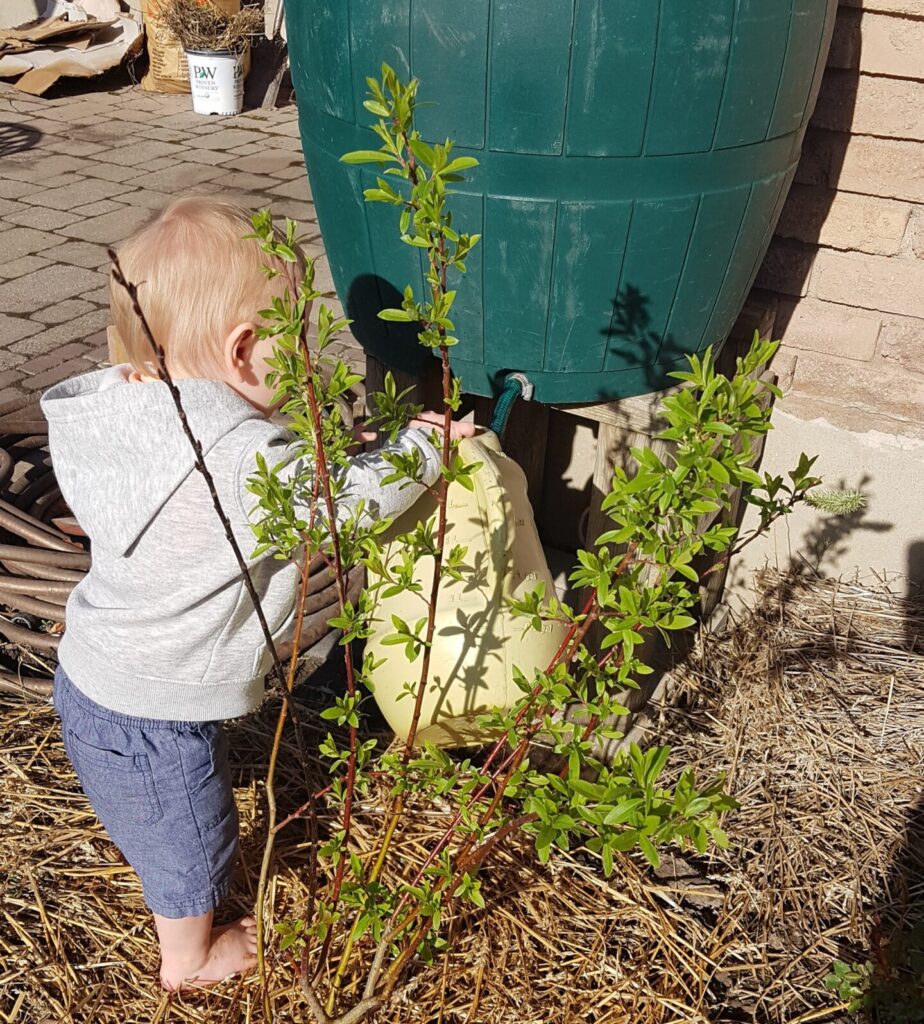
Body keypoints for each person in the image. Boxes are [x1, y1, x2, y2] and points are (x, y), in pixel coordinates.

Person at [41, 196, 472, 991]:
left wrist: (336, 451)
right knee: (194, 839)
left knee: (157, 814)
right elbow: (343, 502)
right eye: (301, 340)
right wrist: (421, 449)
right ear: (243, 354)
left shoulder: (130, 413)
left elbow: (276, 476)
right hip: (150, 713)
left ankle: (153, 857)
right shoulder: (240, 458)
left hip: (98, 672)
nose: (311, 356)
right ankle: (190, 958)